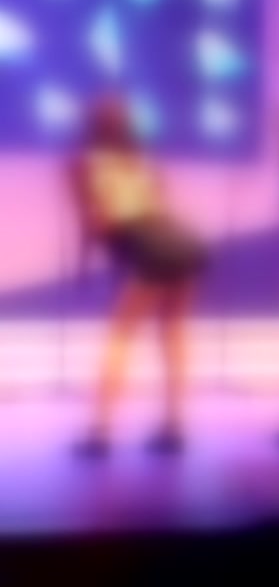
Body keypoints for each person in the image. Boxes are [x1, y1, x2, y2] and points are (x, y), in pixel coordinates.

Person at [68, 96, 208, 456]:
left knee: (121, 337)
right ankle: (174, 428)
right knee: (174, 335)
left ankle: (100, 433)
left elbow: (96, 222)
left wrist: (88, 258)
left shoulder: (84, 163)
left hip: (150, 252)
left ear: (90, 125)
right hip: (185, 247)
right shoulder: (143, 161)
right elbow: (160, 209)